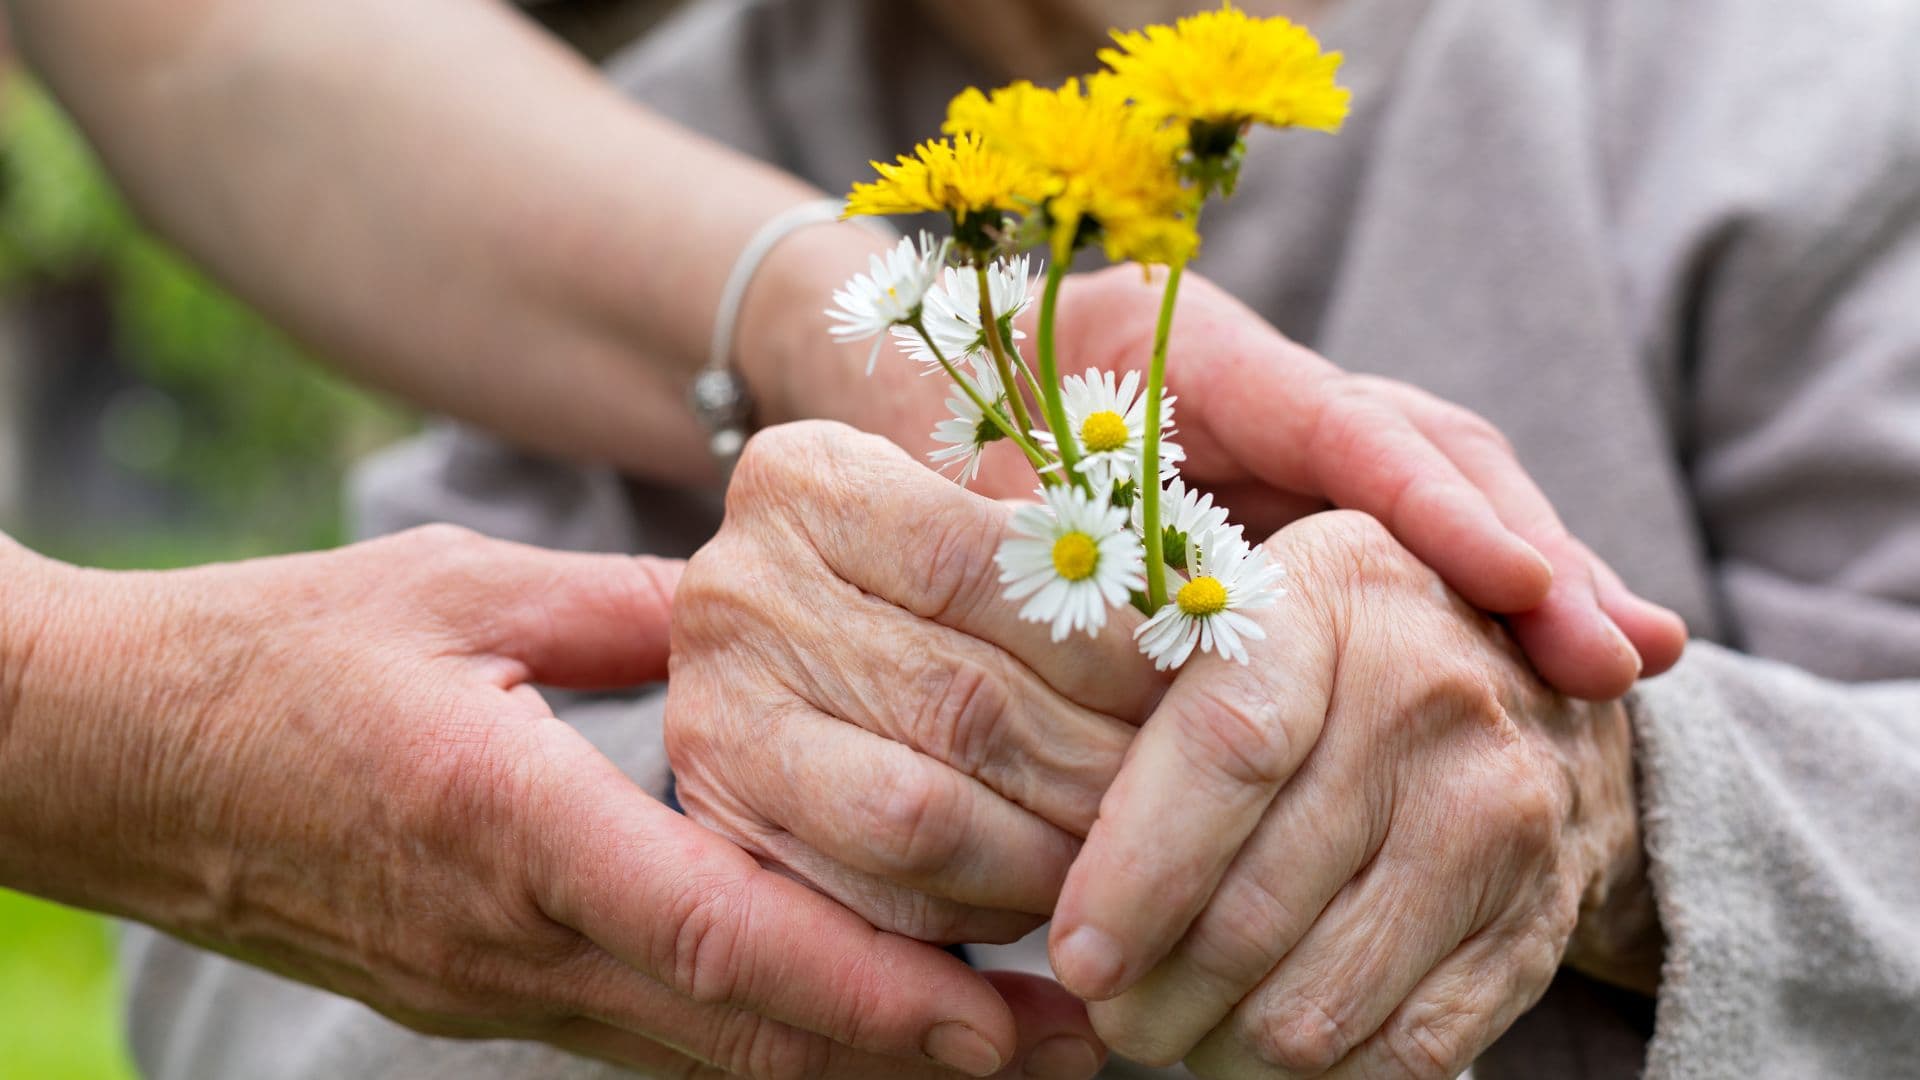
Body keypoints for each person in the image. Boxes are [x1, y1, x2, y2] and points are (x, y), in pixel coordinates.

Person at [113, 0, 1916, 1077]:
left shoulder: (1791, 100)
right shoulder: (596, 178)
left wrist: (1623, 813)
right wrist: (781, 835)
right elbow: (241, 977)